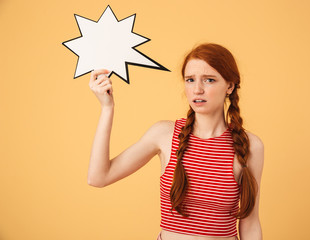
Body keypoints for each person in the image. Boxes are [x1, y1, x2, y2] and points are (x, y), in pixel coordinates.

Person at [87, 43, 264, 240]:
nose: (197, 89)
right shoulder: (164, 134)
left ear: (229, 86)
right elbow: (98, 177)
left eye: (209, 80)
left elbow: (250, 223)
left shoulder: (251, 146)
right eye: (190, 80)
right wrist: (107, 109)